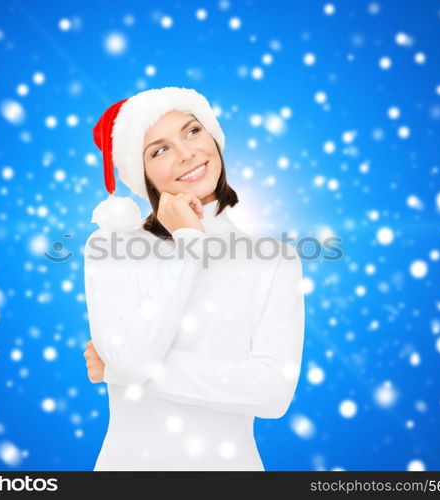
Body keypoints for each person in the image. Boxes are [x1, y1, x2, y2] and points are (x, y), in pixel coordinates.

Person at [83, 87, 305, 471]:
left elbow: (272, 394)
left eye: (191, 132)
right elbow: (132, 362)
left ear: (214, 138)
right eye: (159, 149)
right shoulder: (111, 245)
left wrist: (120, 366)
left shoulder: (275, 261)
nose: (186, 153)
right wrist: (188, 244)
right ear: (143, 174)